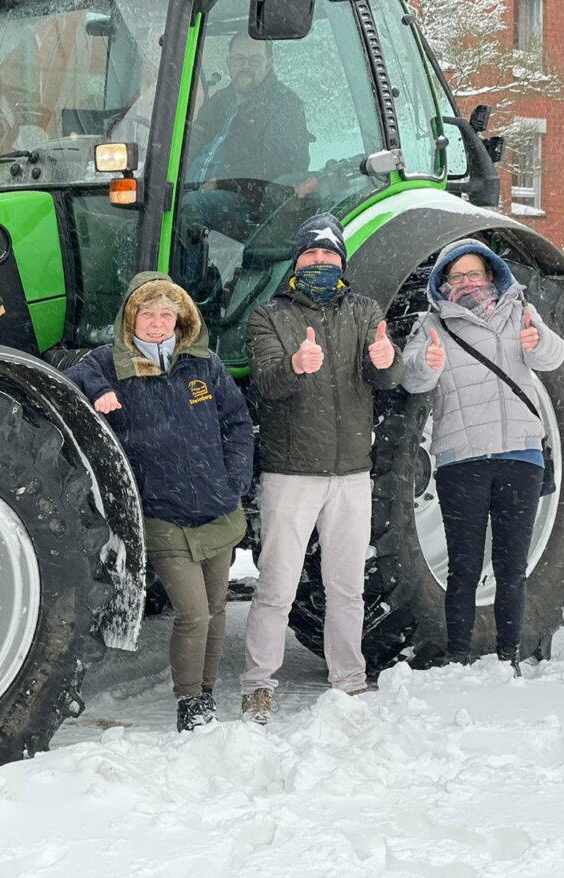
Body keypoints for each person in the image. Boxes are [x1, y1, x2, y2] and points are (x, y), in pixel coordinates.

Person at [66, 271, 254, 732]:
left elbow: (237, 423)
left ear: (180, 319)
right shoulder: (108, 364)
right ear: (130, 318)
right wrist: (97, 390)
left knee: (216, 611)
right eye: (147, 313)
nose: (156, 323)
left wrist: (234, 481)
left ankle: (206, 692)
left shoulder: (204, 365)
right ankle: (189, 700)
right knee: (192, 613)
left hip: (217, 508)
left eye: (166, 314)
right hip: (162, 514)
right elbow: (69, 380)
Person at [240, 213, 403, 723]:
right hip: (291, 473)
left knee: (347, 588)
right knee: (277, 587)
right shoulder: (269, 315)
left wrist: (387, 360)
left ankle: (349, 680)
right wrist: (295, 366)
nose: (320, 262)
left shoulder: (365, 310)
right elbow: (266, 381)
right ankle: (258, 684)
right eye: (311, 254)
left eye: (329, 254)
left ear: (341, 262)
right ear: (296, 262)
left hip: (351, 472)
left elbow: (384, 376)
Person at [401, 239, 564, 674]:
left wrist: (538, 341)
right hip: (463, 461)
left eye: (474, 274)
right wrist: (428, 362)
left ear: (491, 275)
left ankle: (509, 656)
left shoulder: (519, 312)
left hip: (520, 457)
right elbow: (413, 378)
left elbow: (555, 357)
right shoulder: (433, 325)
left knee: (511, 567)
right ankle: (458, 657)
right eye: (456, 276)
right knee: (464, 567)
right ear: (443, 283)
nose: (466, 283)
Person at [183, 33, 315, 244]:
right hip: (194, 188)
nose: (245, 66)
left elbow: (284, 161)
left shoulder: (284, 103)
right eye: (238, 59)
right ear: (229, 62)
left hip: (251, 204)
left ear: (268, 63)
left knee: (190, 207)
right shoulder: (219, 101)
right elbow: (192, 140)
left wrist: (224, 181)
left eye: (254, 60)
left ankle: (185, 268)